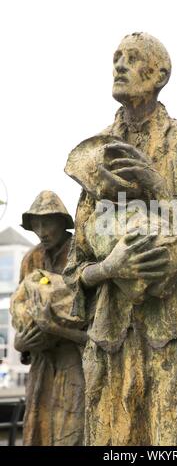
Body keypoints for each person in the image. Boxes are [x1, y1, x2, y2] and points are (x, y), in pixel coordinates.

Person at [64, 32, 177, 446]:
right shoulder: (94, 153)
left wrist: (160, 191)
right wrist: (108, 268)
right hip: (109, 339)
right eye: (116, 57)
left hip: (168, 338)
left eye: (132, 59)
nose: (119, 65)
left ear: (160, 74)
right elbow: (74, 269)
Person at [10, 191, 86, 446]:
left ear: (61, 221)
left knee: (72, 430)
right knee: (38, 430)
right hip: (41, 362)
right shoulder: (31, 259)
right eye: (36, 224)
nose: (41, 230)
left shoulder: (80, 253)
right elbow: (21, 307)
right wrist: (21, 344)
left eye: (47, 222)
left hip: (73, 356)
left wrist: (55, 325)